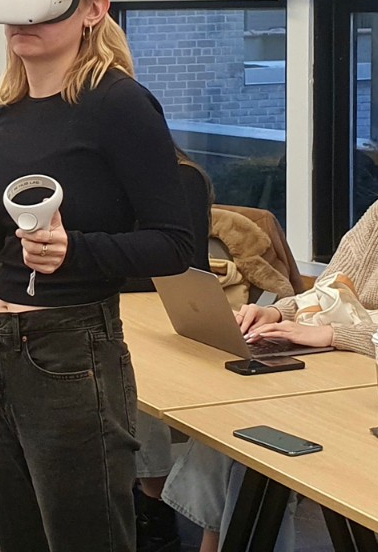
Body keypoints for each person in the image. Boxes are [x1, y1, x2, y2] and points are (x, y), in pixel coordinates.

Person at [0, 0, 194, 552]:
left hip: (73, 348)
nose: (22, 23)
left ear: (93, 9)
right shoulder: (6, 105)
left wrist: (78, 252)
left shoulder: (120, 105)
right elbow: (14, 244)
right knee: (20, 535)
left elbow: (176, 245)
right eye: (11, 6)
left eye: (39, 5)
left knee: (84, 538)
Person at [163, 77, 378, 552]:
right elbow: (331, 286)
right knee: (236, 415)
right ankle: (218, 539)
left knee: (280, 434)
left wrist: (333, 336)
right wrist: (281, 312)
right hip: (356, 367)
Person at [133, 146, 213, 552]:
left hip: (170, 312)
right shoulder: (97, 178)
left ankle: (154, 504)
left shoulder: (182, 179)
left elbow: (181, 269)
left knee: (126, 363)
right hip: (123, 306)